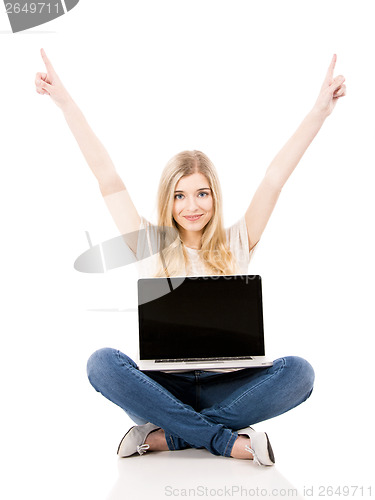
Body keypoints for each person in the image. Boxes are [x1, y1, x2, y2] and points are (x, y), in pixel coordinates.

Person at [35, 49, 346, 466]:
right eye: (180, 195)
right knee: (102, 363)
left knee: (300, 373)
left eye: (201, 193)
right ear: (169, 200)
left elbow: (274, 178)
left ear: (214, 196)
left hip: (229, 385)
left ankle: (167, 437)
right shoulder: (149, 242)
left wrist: (319, 113)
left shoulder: (238, 241)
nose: (191, 206)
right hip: (164, 387)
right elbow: (107, 176)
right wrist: (65, 103)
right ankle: (223, 440)